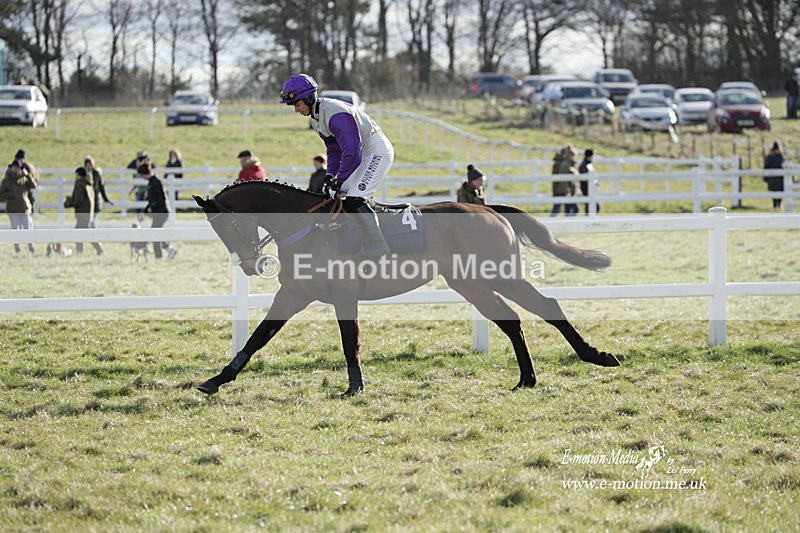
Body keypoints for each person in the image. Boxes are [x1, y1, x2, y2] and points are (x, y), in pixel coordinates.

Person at [280, 73, 392, 256]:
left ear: (309, 98)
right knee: (333, 195)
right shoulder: (316, 120)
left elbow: (353, 153)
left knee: (356, 197)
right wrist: (330, 177)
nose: (296, 110)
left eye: (297, 104)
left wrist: (339, 179)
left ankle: (378, 244)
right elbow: (334, 151)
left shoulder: (335, 114)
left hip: (375, 151)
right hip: (359, 153)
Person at [138, 162, 177, 260]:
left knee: (154, 233)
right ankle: (169, 249)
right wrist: (144, 211)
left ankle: (159, 256)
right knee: (156, 233)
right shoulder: (152, 183)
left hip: (162, 212)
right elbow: (151, 201)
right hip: (159, 212)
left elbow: (161, 198)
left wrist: (151, 208)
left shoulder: (157, 182)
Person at [0, 159, 37, 253]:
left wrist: (27, 175)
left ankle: (31, 246)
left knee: (27, 227)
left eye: (18, 168)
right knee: (15, 228)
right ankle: (17, 247)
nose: (16, 169)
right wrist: (11, 195)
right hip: (13, 208)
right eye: (15, 167)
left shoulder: (24, 179)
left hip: (24, 207)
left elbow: (33, 185)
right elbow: (2, 193)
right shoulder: (7, 181)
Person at [65, 167, 104, 255]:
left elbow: (77, 200)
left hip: (82, 213)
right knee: (82, 232)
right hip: (87, 213)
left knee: (83, 233)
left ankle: (96, 250)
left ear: (79, 175)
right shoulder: (88, 184)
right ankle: (91, 250)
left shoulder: (79, 184)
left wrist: (68, 202)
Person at [84, 155, 113, 230]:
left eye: (90, 164)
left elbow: (101, 188)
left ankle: (95, 239)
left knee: (93, 221)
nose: (89, 166)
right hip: (86, 202)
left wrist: (106, 199)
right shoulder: (83, 174)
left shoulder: (96, 174)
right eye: (87, 164)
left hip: (95, 201)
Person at [550, 145, 579, 217]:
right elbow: (563, 179)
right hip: (563, 190)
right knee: (559, 208)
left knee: (561, 208)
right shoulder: (564, 164)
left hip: (562, 190)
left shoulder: (565, 163)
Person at [127, 150, 151, 219]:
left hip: (144, 190)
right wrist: (132, 190)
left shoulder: (143, 170)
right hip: (139, 191)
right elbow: (136, 182)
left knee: (143, 206)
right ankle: (139, 218)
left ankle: (142, 217)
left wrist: (147, 191)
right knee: (138, 206)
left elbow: (147, 181)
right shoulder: (137, 172)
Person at [763, 141, 786, 209]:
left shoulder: (771, 157)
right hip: (774, 178)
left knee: (778, 191)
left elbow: (766, 166)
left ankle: (777, 204)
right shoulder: (781, 157)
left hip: (777, 178)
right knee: (775, 191)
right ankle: (776, 204)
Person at [578, 148, 599, 215]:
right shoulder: (584, 165)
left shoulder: (588, 164)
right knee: (592, 207)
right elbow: (585, 178)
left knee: (591, 206)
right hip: (586, 189)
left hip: (589, 189)